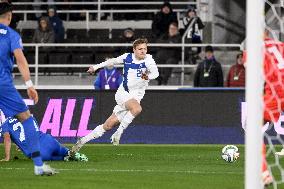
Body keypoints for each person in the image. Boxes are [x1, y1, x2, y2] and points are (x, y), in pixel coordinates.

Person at [71, 38, 159, 152]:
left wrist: (148, 76)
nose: (143, 51)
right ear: (134, 50)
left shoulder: (149, 60)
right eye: (140, 49)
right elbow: (111, 61)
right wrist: (95, 67)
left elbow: (156, 73)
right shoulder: (127, 57)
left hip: (135, 98)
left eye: (145, 49)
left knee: (108, 125)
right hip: (123, 93)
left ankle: (82, 141)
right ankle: (118, 133)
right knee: (137, 108)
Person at [0, 2, 56, 175]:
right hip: (3, 84)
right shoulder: (11, 35)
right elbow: (21, 60)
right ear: (9, 16)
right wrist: (30, 85)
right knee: (26, 118)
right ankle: (38, 165)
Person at [0, 118, 88, 162]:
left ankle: (65, 158)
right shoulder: (28, 117)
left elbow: (7, 138)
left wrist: (7, 157)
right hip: (48, 139)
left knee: (57, 158)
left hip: (39, 150)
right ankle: (70, 153)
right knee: (63, 150)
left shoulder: (5, 124)